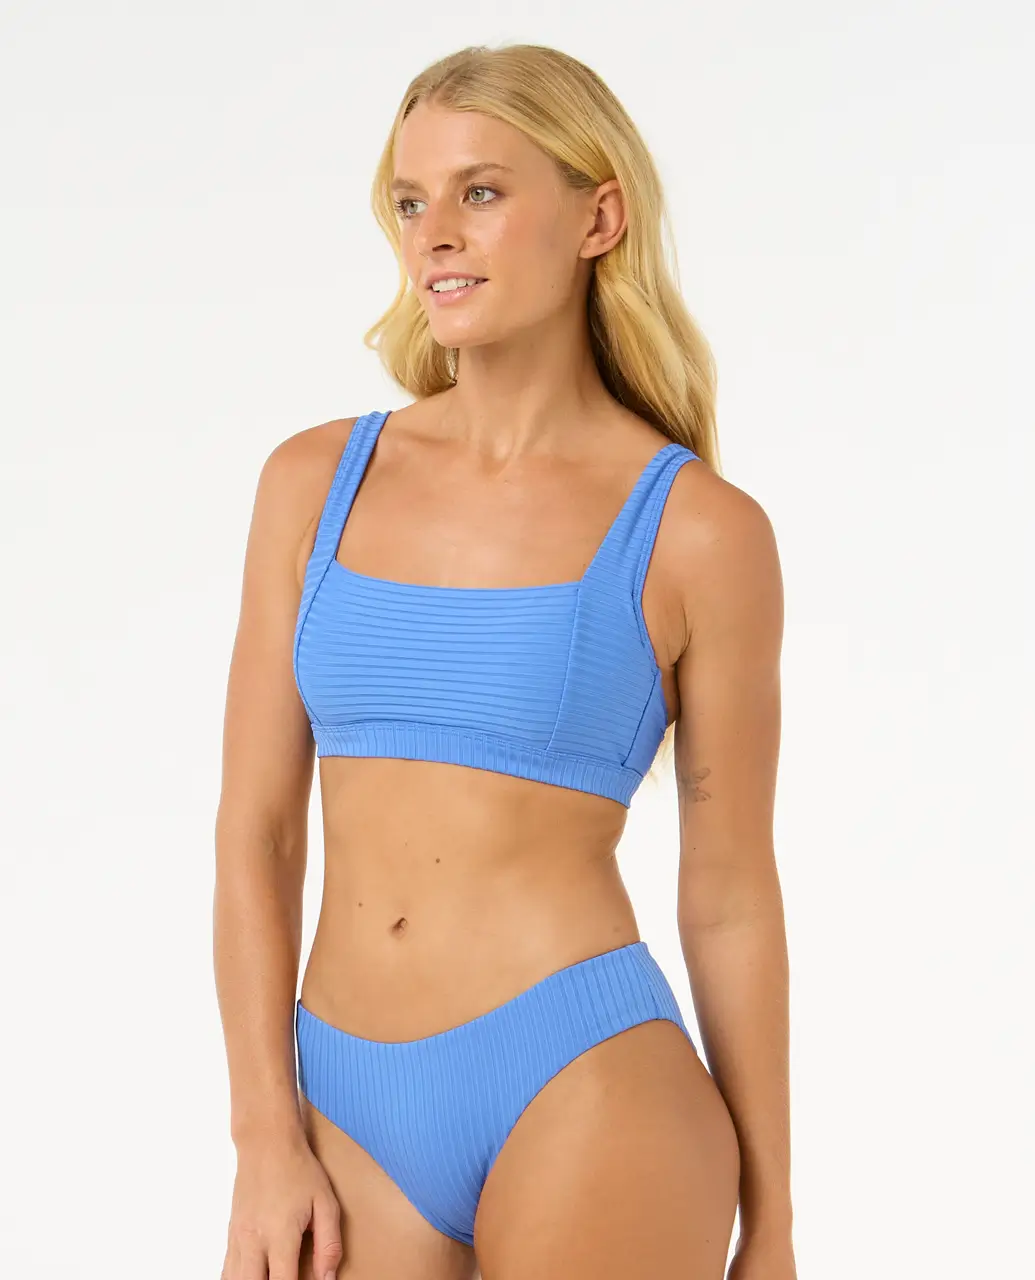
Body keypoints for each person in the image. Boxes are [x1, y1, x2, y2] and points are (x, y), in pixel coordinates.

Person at [214, 41, 794, 1280]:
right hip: (342, 1094)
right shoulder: (313, 482)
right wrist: (263, 1129)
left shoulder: (698, 532)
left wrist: (778, 1224)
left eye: (480, 192)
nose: (435, 234)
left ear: (599, 217)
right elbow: (256, 830)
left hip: (587, 1080)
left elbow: (731, 888)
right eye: (409, 201)